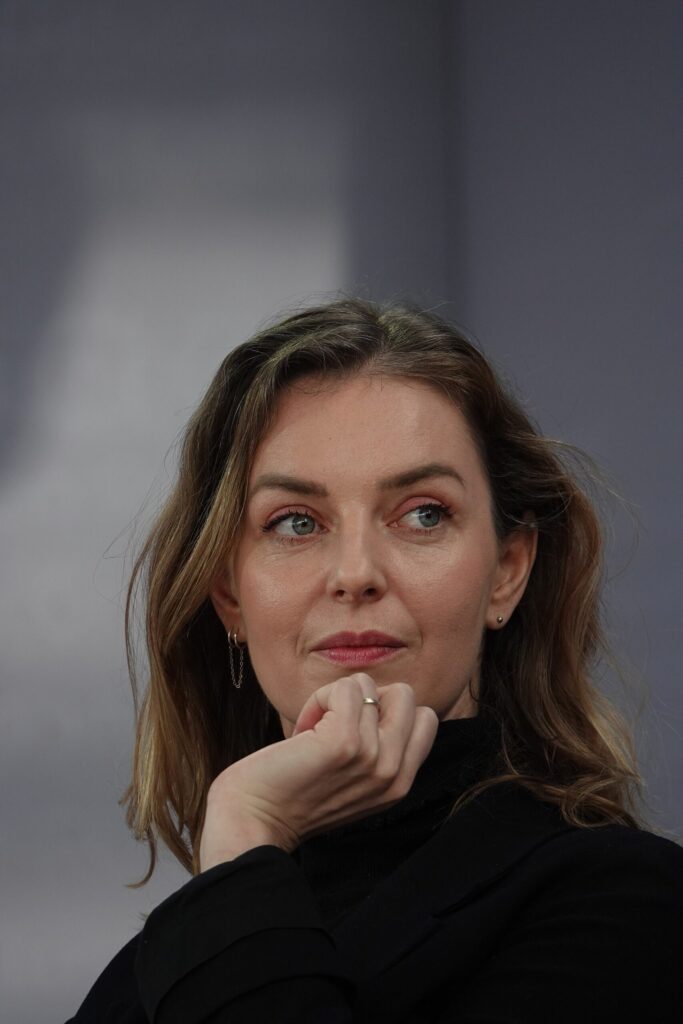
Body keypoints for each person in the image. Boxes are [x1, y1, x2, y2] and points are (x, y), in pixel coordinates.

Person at [67, 299, 683, 1024]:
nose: (355, 573)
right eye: (295, 523)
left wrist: (245, 835)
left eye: (423, 513)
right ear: (229, 594)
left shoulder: (630, 906)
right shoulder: (149, 977)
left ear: (506, 571)